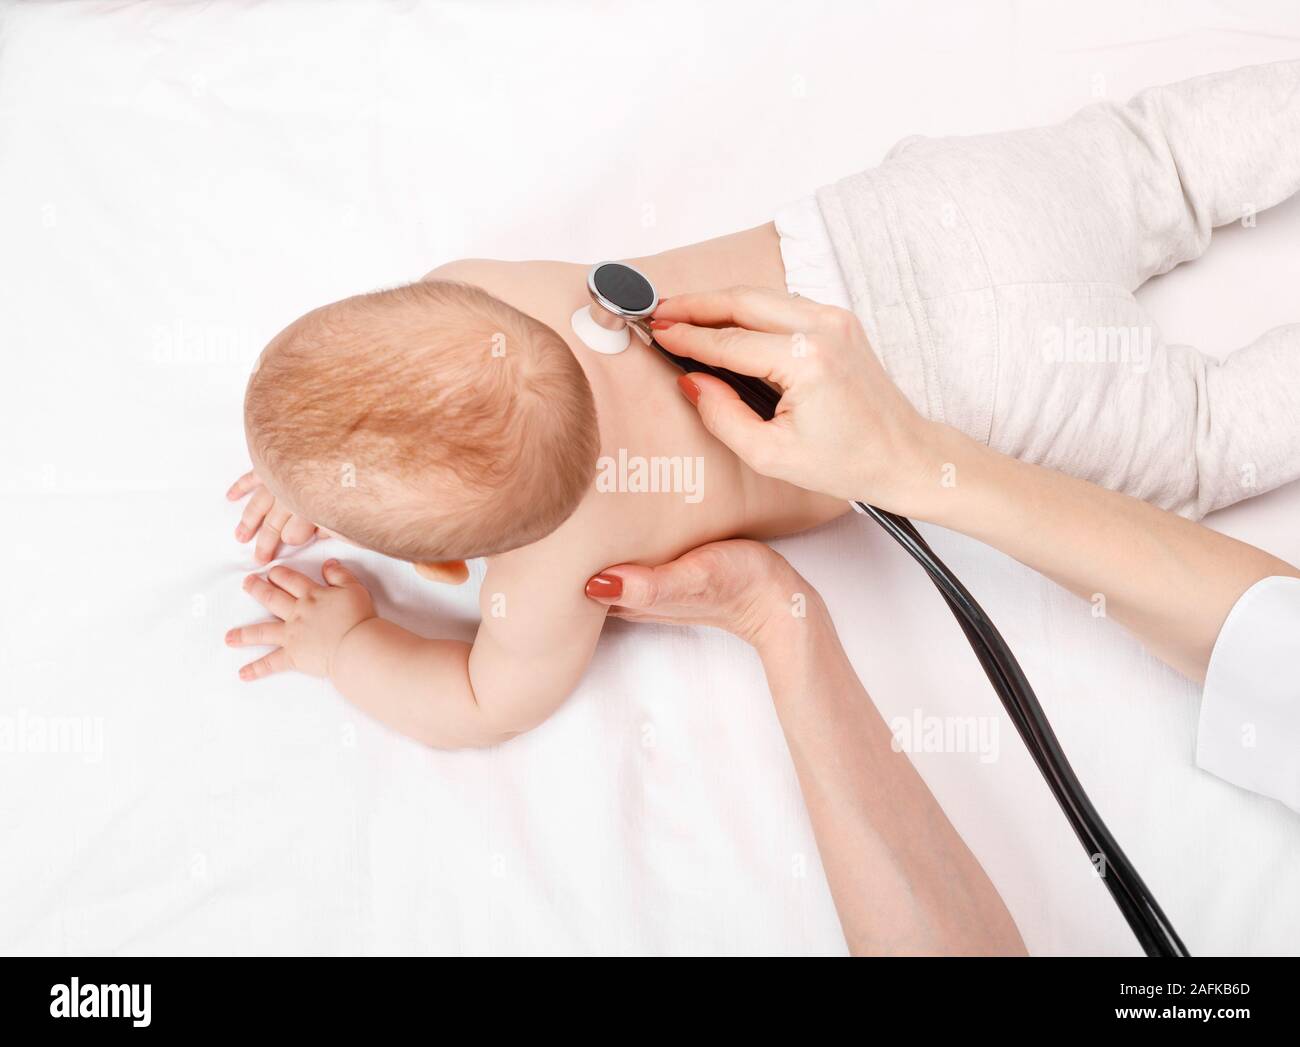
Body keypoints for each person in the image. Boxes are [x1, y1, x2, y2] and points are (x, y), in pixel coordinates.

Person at [227, 59, 1300, 754]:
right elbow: (418, 385)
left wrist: (349, 642)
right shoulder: (486, 283)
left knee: (1208, 434)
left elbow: (480, 705)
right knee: (1158, 159)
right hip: (932, 219)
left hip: (979, 401)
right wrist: (336, 457)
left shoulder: (544, 569)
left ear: (443, 568)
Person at [586, 286, 1300, 820]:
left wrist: (778, 617)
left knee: (1212, 420)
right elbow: (1272, 641)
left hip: (911, 293)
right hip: (893, 319)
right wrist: (913, 459)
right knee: (1212, 425)